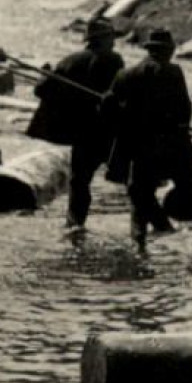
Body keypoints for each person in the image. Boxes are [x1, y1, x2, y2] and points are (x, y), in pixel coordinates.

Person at [106, 28, 192, 252]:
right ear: (168, 51)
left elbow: (108, 111)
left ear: (149, 49)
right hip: (175, 148)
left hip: (142, 150)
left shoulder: (126, 74)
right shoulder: (173, 72)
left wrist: (121, 111)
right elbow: (185, 110)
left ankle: (138, 247)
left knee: (140, 200)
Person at [26, 16, 123, 230]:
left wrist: (45, 75)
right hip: (108, 134)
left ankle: (74, 225)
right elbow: (122, 94)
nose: (114, 42)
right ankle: (149, 227)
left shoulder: (70, 61)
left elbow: (41, 90)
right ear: (103, 40)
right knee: (132, 179)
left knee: (80, 182)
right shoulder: (113, 60)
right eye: (111, 37)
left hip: (82, 135)